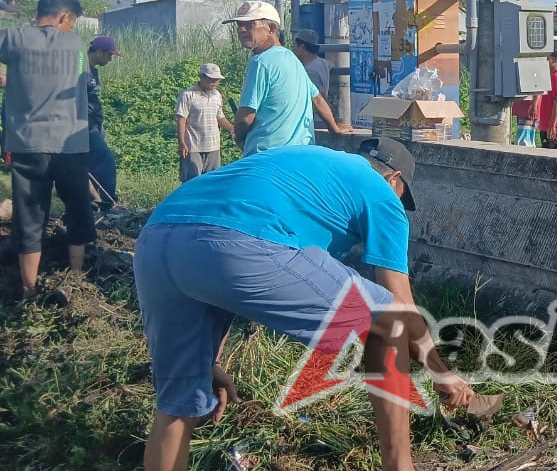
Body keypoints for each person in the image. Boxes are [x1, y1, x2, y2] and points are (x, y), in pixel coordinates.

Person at [132, 138, 474, 470]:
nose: (399, 205)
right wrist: (441, 374)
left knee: (176, 407)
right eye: (402, 197)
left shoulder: (311, 165)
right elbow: (401, 307)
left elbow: (216, 268)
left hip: (157, 239)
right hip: (237, 243)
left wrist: (211, 360)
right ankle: (399, 466)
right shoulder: (381, 192)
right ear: (393, 179)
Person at [0, 0, 96, 299]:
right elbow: (80, 80)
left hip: (27, 145)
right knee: (78, 209)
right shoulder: (77, 46)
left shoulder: (14, 39)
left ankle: (29, 290)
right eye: (73, 22)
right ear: (65, 17)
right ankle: (77, 277)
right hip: (71, 146)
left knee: (29, 215)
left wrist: (9, 79)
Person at [224, 1, 352, 155]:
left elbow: (246, 116)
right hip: (300, 153)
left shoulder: (260, 62)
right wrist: (334, 128)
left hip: (267, 155)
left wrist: (238, 136)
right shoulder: (292, 58)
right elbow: (318, 99)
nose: (241, 30)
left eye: (250, 24)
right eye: (239, 25)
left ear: (271, 29)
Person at [175, 63, 236, 182]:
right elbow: (181, 119)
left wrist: (232, 129)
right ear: (201, 77)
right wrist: (182, 143)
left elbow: (220, 117)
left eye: (216, 80)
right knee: (192, 182)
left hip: (213, 146)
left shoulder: (217, 95)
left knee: (212, 182)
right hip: (193, 146)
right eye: (210, 79)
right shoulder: (188, 95)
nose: (213, 82)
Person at [86, 35, 122, 213]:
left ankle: (94, 201)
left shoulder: (94, 71)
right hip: (82, 125)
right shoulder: (81, 66)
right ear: (99, 52)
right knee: (105, 159)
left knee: (90, 164)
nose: (110, 59)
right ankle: (108, 202)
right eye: (109, 55)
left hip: (95, 123)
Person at [292, 28, 331, 129]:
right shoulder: (322, 63)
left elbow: (319, 98)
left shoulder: (309, 72)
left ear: (302, 46)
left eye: (294, 45)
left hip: (313, 121)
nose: (293, 49)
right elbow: (331, 65)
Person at [538, 49, 557, 149]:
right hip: (546, 124)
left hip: (554, 126)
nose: (546, 61)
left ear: (555, 60)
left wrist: (552, 125)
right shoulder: (551, 76)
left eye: (548, 59)